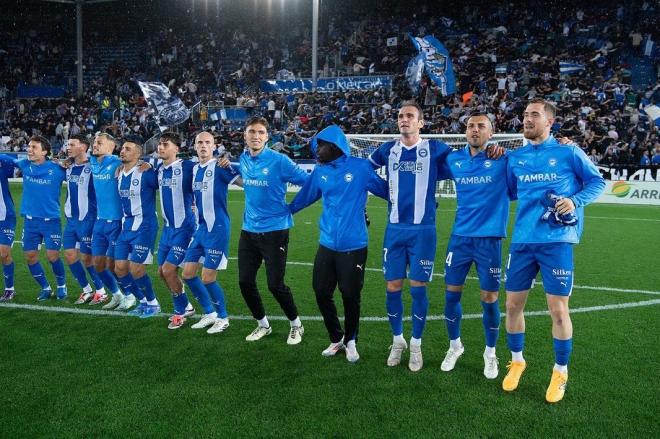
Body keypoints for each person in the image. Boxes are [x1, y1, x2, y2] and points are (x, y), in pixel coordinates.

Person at [369, 101, 504, 371]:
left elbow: (466, 159)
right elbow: (365, 171)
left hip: (424, 231)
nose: (404, 119)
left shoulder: (436, 149)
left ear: (421, 123)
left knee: (419, 289)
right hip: (394, 229)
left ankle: (416, 344)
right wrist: (389, 193)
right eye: (400, 115)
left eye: (410, 116)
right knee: (393, 287)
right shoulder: (387, 149)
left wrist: (492, 149)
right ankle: (398, 341)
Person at [503, 98, 605, 403]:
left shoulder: (568, 151)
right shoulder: (516, 158)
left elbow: (597, 182)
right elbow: (510, 191)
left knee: (558, 310)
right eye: (524, 115)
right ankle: (517, 360)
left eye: (534, 115)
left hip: (557, 241)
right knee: (512, 307)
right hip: (522, 241)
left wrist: (574, 201)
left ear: (550, 122)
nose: (527, 119)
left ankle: (560, 371)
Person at [289, 125, 387, 362]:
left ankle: (351, 340)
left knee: (350, 294)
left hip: (354, 245)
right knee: (321, 291)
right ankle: (336, 338)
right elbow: (304, 197)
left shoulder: (361, 168)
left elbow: (387, 191)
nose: (317, 150)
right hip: (327, 244)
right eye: (317, 145)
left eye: (321, 145)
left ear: (335, 147)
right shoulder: (320, 171)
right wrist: (283, 212)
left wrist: (418, 202)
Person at [437, 114, 511, 379]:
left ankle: (490, 353)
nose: (475, 130)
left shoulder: (503, 159)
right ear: (465, 131)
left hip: (489, 241)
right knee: (451, 295)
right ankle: (455, 346)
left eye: (481, 126)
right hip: (460, 239)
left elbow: (522, 178)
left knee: (489, 298)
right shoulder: (453, 159)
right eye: (470, 126)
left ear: (491, 133)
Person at [234, 117, 309, 344]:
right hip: (249, 230)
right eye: (251, 131)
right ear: (245, 135)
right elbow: (247, 182)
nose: (255, 136)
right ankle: (262, 325)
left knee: (275, 285)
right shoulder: (243, 158)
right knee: (245, 282)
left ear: (267, 137)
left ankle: (296, 324)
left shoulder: (280, 161)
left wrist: (292, 208)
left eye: (260, 132)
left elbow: (309, 182)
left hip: (275, 230)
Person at [181, 131, 241, 334]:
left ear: (215, 146)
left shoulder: (221, 167)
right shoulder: (196, 169)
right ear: (195, 146)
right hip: (200, 230)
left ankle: (223, 318)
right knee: (188, 274)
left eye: (208, 142)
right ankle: (209, 313)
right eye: (200, 142)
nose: (204, 145)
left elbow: (246, 183)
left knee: (208, 278)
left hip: (218, 229)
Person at [1, 136, 68, 300]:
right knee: (30, 257)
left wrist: (68, 161)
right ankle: (45, 287)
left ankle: (61, 285)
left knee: (53, 256)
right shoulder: (24, 165)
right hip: (30, 221)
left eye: (34, 147)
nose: (29, 150)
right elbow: (3, 156)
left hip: (51, 221)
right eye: (29, 147)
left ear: (45, 151)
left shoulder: (58, 169)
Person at [114, 137, 161, 318]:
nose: (122, 151)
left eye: (127, 148)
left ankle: (153, 303)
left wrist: (150, 164)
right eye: (122, 148)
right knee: (119, 268)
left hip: (145, 226)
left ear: (138, 154)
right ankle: (142, 301)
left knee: (136, 268)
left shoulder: (146, 172)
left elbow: (166, 180)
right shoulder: (118, 173)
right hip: (126, 227)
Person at [88, 133, 135, 309]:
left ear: (112, 147)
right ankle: (117, 295)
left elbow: (136, 165)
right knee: (98, 264)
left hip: (117, 221)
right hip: (99, 221)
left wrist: (144, 164)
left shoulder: (117, 163)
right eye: (94, 142)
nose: (95, 145)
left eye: (99, 142)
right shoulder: (92, 162)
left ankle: (130, 296)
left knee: (115, 265)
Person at [155, 132, 196, 329]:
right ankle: (186, 304)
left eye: (165, 144)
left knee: (168, 269)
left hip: (185, 228)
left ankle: (180, 311)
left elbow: (208, 171)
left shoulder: (188, 166)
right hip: (167, 229)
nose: (160, 147)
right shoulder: (158, 170)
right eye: (159, 144)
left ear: (176, 149)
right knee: (162, 273)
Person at [62, 135, 107, 305]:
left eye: (72, 144)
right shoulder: (68, 166)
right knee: (69, 255)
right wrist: (66, 160)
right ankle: (86, 290)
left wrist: (142, 163)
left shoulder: (94, 165)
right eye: (68, 144)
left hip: (88, 219)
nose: (68, 147)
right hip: (71, 220)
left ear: (83, 147)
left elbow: (117, 162)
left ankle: (101, 291)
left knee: (87, 258)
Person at [0, 150, 19, 301]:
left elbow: (12, 161)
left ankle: (9, 289)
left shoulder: (2, 166)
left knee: (4, 253)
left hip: (5, 215)